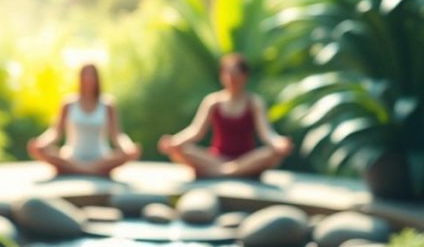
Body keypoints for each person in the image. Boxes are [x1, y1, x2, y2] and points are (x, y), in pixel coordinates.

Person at [158, 53, 293, 178]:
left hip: (245, 159)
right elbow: (195, 131)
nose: (231, 79)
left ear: (244, 76)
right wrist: (174, 142)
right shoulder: (212, 101)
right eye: (227, 74)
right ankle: (230, 171)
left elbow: (267, 133)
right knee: (180, 150)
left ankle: (223, 171)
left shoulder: (254, 102)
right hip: (216, 158)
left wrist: (279, 143)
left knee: (272, 154)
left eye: (235, 74)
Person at [27, 64, 141, 176]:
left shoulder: (108, 104)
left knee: (128, 153)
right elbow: (55, 132)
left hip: (101, 158)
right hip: (71, 158)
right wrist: (41, 142)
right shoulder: (68, 103)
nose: (88, 78)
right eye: (85, 74)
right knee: (40, 150)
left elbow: (117, 135)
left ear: (97, 78)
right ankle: (92, 171)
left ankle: (77, 170)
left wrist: (128, 146)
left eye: (91, 74)